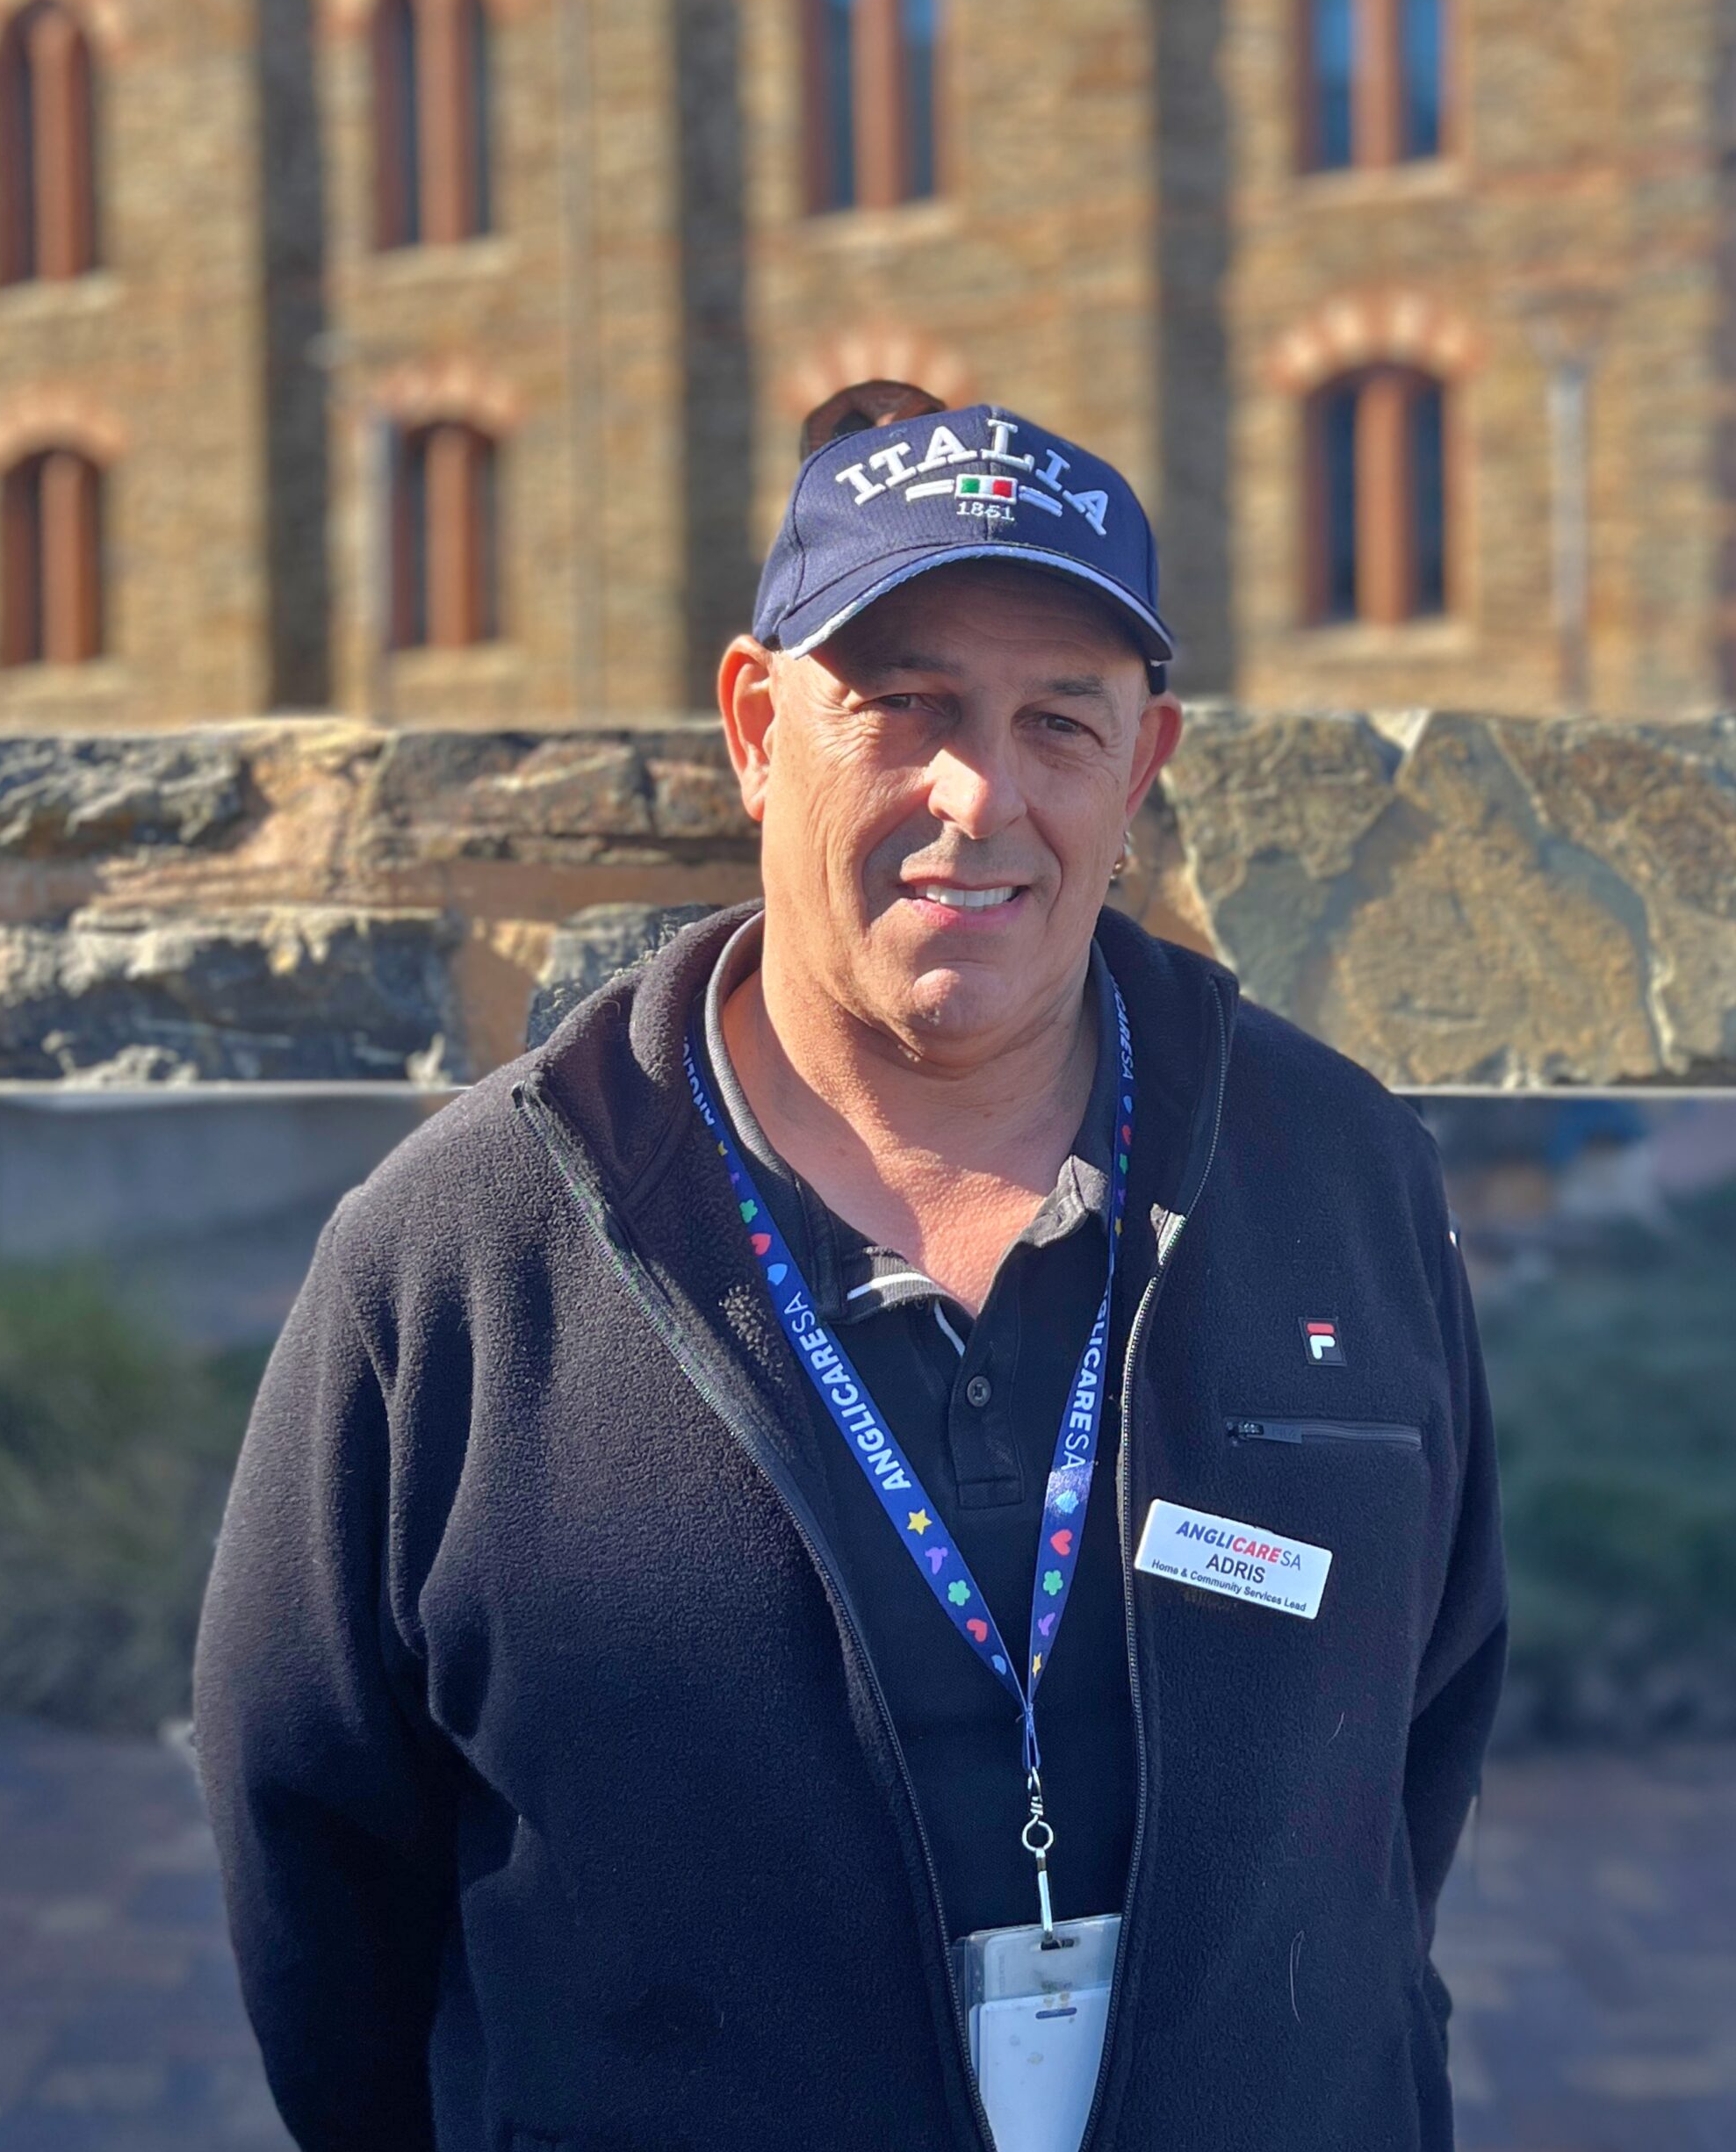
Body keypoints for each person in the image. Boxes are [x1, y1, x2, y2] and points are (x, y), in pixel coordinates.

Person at [193, 393, 1507, 2152]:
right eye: (905, 706)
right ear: (755, 724)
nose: (982, 794)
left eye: (1058, 719)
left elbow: (1407, 1752)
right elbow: (317, 1865)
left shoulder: (1341, 1175)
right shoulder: (456, 1252)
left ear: (1140, 763)